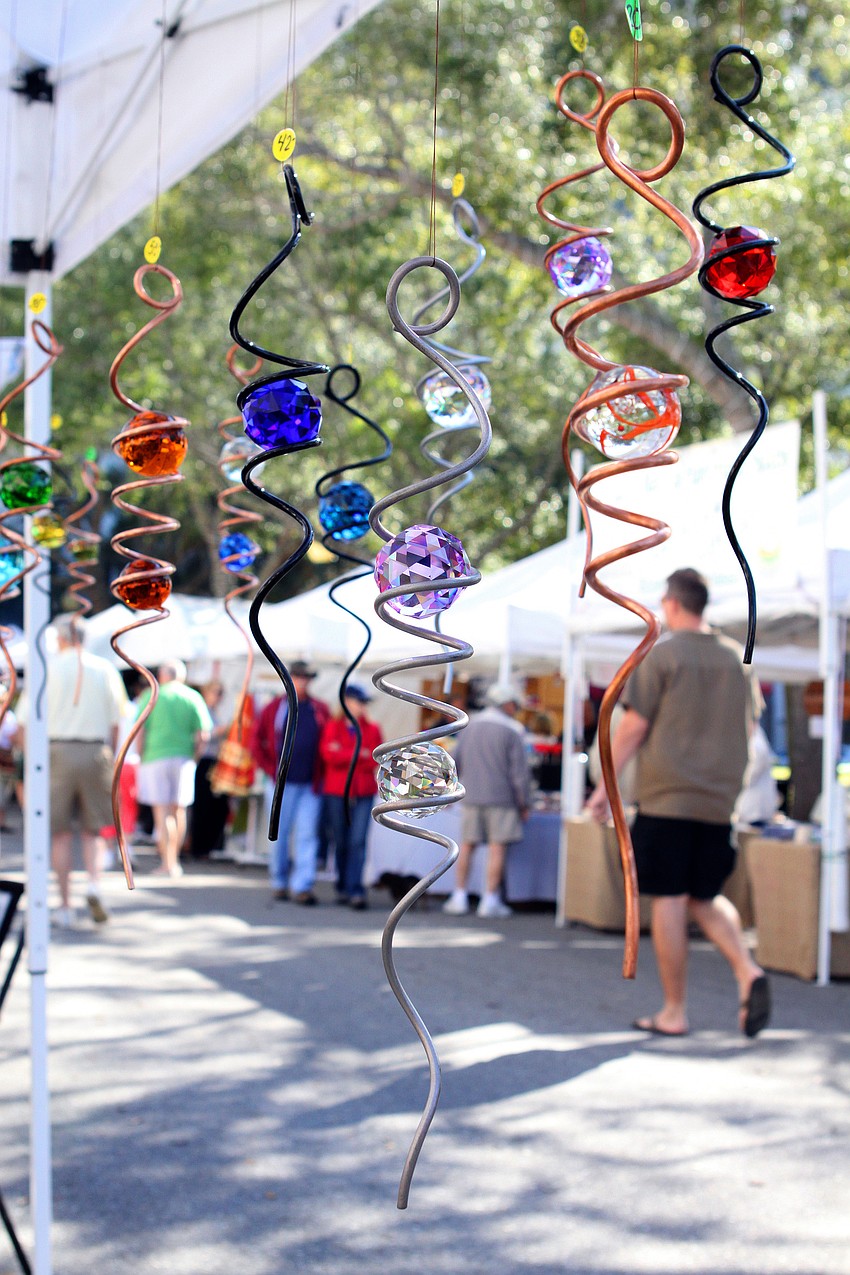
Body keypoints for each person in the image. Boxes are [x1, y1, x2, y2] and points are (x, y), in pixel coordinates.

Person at [585, 567, 771, 1039]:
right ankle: (747, 970)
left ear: (670, 604)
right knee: (704, 896)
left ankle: (673, 1011)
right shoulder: (737, 660)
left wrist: (604, 789)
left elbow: (632, 728)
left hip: (668, 797)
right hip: (719, 800)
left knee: (668, 898)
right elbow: (750, 730)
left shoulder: (662, 655)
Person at [18, 614, 129, 927]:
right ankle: (93, 885)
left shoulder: (47, 669)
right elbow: (116, 721)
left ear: (62, 637)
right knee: (93, 830)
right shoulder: (105, 669)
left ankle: (65, 905)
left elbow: (25, 724)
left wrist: (32, 762)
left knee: (59, 833)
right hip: (95, 750)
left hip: (55, 752)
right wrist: (108, 754)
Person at [443, 682, 532, 919]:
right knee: (497, 848)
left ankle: (459, 896)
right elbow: (519, 773)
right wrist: (525, 803)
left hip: (471, 795)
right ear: (508, 704)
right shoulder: (513, 730)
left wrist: (450, 791)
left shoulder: (469, 727)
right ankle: (489, 899)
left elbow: (454, 761)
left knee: (468, 845)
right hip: (502, 798)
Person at [251, 659, 329, 905]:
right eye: (296, 676)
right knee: (279, 834)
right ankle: (279, 882)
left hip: (309, 784)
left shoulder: (319, 708)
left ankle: (302, 885)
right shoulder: (275, 707)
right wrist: (269, 769)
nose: (300, 681)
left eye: (304, 677)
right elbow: (256, 740)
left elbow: (325, 743)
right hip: (280, 784)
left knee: (307, 834)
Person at [136, 661, 212, 878]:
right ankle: (174, 861)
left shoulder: (152, 695)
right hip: (183, 758)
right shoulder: (192, 697)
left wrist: (141, 756)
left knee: (162, 812)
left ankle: (167, 862)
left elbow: (140, 731)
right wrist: (194, 757)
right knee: (179, 810)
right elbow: (203, 734)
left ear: (162, 674)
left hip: (155, 757)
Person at [319, 683, 382, 909]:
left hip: (362, 792)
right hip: (338, 792)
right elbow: (328, 755)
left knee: (358, 841)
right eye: (359, 702)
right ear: (347, 702)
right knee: (341, 840)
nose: (363, 707)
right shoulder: (333, 726)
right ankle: (343, 885)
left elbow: (374, 757)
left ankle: (356, 888)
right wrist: (358, 753)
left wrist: (344, 753)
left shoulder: (372, 728)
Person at [189, 679, 230, 858]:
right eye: (216, 692)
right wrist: (220, 732)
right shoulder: (203, 710)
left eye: (221, 693)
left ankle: (205, 846)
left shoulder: (213, 711)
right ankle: (197, 846)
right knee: (202, 805)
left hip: (212, 761)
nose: (219, 696)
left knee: (213, 806)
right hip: (203, 761)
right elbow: (201, 734)